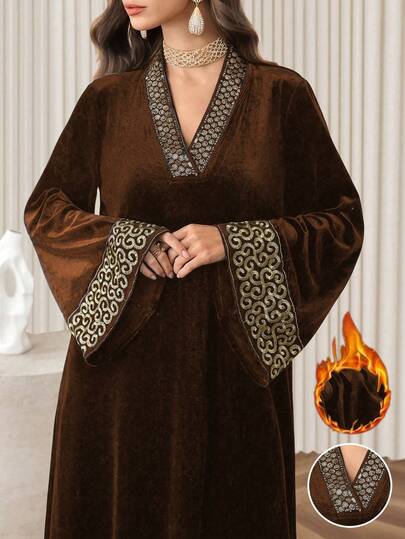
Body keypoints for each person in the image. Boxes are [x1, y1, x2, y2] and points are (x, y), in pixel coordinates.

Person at [23, 1, 364, 537]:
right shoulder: (108, 99)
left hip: (233, 371)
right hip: (120, 379)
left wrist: (233, 239)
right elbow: (47, 209)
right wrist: (127, 242)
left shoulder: (280, 96)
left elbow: (340, 222)